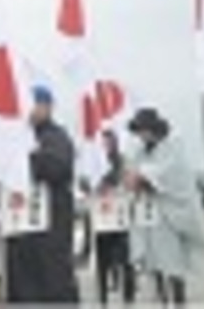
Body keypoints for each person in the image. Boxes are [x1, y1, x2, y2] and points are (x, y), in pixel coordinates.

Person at [125, 108, 204, 308]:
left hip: (170, 214)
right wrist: (135, 179)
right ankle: (162, 298)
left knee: (173, 261)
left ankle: (179, 300)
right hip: (150, 213)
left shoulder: (173, 144)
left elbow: (172, 174)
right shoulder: (140, 150)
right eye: (139, 131)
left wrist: (145, 177)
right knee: (154, 261)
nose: (141, 135)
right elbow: (133, 172)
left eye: (144, 130)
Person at [5, 86, 81, 304]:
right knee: (22, 288)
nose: (29, 110)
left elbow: (58, 167)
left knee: (54, 286)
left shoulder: (56, 137)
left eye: (35, 105)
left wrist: (27, 159)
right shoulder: (16, 138)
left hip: (50, 230)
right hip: (20, 231)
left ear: (47, 107)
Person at [93, 129, 138, 306]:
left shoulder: (121, 160)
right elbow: (87, 182)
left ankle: (128, 296)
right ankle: (103, 297)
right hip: (101, 216)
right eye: (103, 142)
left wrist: (116, 186)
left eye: (108, 142)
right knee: (102, 261)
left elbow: (127, 180)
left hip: (120, 215)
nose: (106, 145)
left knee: (126, 259)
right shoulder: (95, 161)